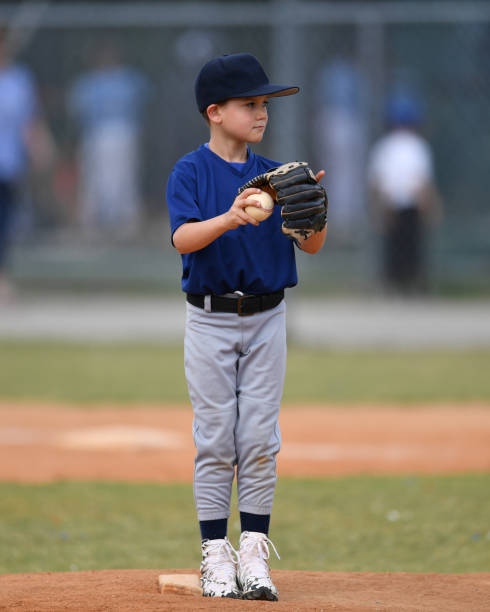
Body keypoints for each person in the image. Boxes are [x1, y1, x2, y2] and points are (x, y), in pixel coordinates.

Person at [165, 53, 327, 600]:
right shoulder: (190, 171)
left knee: (259, 439)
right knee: (216, 441)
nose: (262, 113)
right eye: (250, 104)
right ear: (215, 112)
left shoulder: (278, 177)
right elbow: (182, 239)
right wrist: (232, 216)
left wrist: (311, 215)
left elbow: (312, 245)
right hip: (209, 319)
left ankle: (254, 552)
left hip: (267, 317)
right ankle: (216, 554)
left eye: (265, 105)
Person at [68, 41, 150, 240]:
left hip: (123, 132)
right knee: (95, 178)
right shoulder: (88, 83)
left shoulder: (129, 80)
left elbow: (142, 106)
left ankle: (125, 222)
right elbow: (76, 112)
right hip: (96, 133)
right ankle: (94, 223)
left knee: (124, 177)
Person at [367, 94, 443, 294]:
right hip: (412, 203)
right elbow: (423, 182)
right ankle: (414, 284)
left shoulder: (384, 146)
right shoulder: (418, 146)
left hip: (390, 203)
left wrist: (377, 208)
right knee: (413, 247)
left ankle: (392, 285)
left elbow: (377, 182)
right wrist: (431, 207)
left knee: (393, 248)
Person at [0, 26, 54, 302]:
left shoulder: (19, 80)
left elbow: (29, 121)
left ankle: (2, 277)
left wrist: (40, 149)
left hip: (8, 164)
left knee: (5, 223)